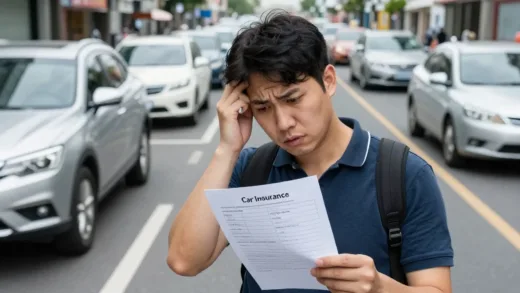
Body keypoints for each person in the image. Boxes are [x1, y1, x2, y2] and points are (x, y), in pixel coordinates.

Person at [167, 10, 453, 293]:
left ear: (328, 81)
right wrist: (227, 148)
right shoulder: (251, 169)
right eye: (263, 108)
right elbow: (183, 261)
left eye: (293, 98)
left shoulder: (403, 175)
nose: (283, 123)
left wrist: (380, 288)